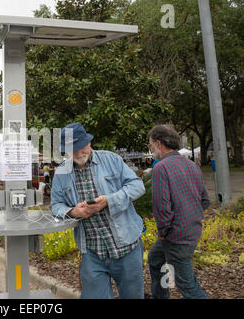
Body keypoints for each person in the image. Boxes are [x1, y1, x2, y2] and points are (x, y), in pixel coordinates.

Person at [50, 123, 146, 299]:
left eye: (81, 147)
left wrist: (109, 201)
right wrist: (73, 212)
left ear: (89, 143)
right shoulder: (61, 173)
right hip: (92, 252)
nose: (78, 154)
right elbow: (55, 205)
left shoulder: (111, 159)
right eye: (73, 150)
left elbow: (137, 186)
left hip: (126, 247)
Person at [147, 124, 210, 299]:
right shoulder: (191, 165)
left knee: (188, 287)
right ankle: (160, 296)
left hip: (174, 236)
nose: (150, 149)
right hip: (189, 231)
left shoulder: (161, 167)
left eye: (150, 144)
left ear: (159, 143)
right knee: (155, 259)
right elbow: (205, 200)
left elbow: (162, 208)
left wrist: (164, 232)